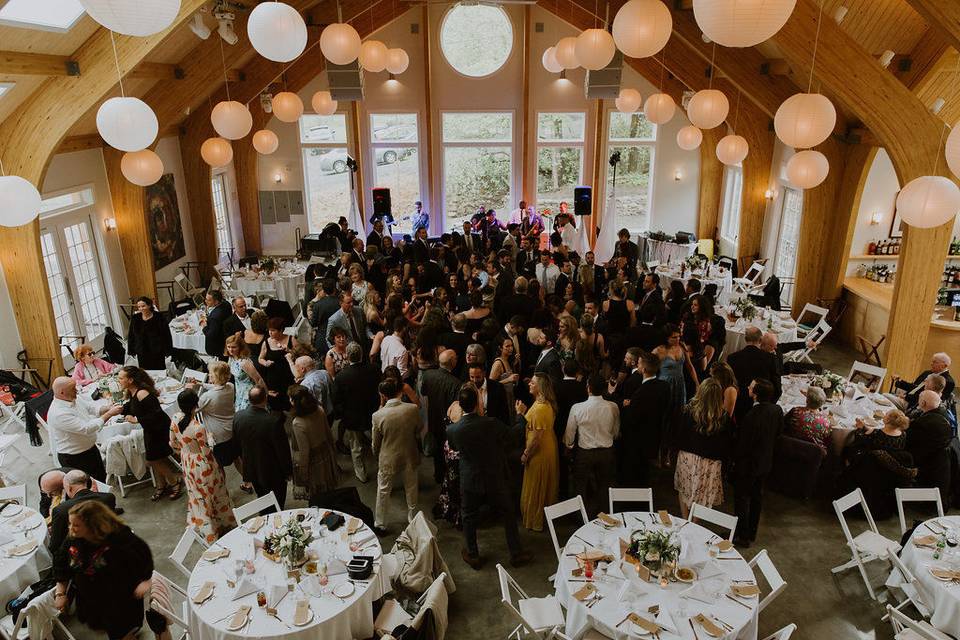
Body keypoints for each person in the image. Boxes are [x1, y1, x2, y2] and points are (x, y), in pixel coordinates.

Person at [447, 384, 532, 569]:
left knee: (469, 516)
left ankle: (472, 553)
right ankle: (516, 553)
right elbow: (514, 435)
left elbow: (454, 448)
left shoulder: (453, 430)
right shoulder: (491, 424)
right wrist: (520, 416)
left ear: (460, 406)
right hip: (495, 477)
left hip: (470, 478)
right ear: (478, 403)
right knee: (508, 513)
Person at [52, 501, 153, 640]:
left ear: (92, 524)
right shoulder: (73, 538)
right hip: (92, 601)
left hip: (119, 599)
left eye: (75, 525)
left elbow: (143, 554)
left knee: (120, 633)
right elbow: (60, 562)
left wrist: (145, 579)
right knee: (111, 631)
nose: (71, 528)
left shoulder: (118, 537)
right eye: (70, 524)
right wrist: (60, 593)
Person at [170, 389, 236, 543]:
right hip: (203, 465)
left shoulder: (174, 418)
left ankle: (206, 526)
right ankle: (219, 524)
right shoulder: (197, 427)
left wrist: (185, 450)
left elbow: (172, 443)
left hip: (187, 461)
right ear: (195, 405)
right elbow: (206, 452)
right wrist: (211, 439)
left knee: (198, 496)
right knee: (215, 493)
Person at [117, 366, 182, 501]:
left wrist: (136, 420)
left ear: (130, 380)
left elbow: (156, 414)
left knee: (152, 460)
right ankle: (161, 485)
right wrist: (120, 410)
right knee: (154, 460)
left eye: (121, 378)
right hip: (150, 429)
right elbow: (132, 406)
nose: (119, 380)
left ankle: (174, 481)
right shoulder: (132, 392)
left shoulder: (142, 393)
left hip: (158, 429)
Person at [732, 379, 782, 547]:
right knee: (757, 498)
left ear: (755, 394)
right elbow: (778, 434)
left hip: (748, 465)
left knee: (742, 499)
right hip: (765, 462)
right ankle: (752, 532)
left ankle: (742, 535)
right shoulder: (777, 410)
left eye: (751, 387)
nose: (748, 387)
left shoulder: (751, 416)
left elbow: (743, 445)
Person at [674, 378, 732, 518]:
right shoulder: (723, 417)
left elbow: (678, 434)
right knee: (703, 496)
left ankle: (684, 519)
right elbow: (727, 444)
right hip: (710, 462)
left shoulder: (688, 411)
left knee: (684, 489)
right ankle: (695, 524)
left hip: (688, 456)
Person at [564, 374, 620, 518]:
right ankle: (605, 516)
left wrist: (569, 446)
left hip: (585, 453)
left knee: (581, 486)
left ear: (588, 388)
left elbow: (570, 432)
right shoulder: (613, 407)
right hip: (607, 451)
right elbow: (616, 431)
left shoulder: (577, 408)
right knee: (605, 486)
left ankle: (581, 518)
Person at [47, 376, 123, 481]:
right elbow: (87, 429)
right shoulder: (58, 413)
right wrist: (109, 414)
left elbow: (91, 408)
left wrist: (108, 408)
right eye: (73, 389)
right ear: (62, 393)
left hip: (90, 449)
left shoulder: (72, 398)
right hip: (74, 457)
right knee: (87, 486)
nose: (77, 390)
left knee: (101, 478)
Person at [371, 379, 421, 533]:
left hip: (388, 457)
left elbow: (375, 443)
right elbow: (419, 429)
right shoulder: (412, 409)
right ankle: (413, 520)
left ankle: (380, 523)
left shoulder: (378, 415)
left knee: (383, 491)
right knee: (411, 489)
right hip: (409, 453)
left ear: (383, 395)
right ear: (399, 391)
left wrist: (376, 453)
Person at [233, 386, 293, 508]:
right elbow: (282, 450)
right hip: (273, 469)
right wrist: (288, 471)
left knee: (262, 496)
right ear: (265, 399)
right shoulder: (273, 421)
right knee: (278, 498)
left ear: (249, 399)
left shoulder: (238, 416)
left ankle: (266, 512)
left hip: (252, 467)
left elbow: (237, 443)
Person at [332, 342, 381, 482]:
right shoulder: (374, 369)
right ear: (361, 354)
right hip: (373, 412)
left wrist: (343, 414)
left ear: (347, 356)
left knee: (356, 447)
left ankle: (361, 474)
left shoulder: (341, 377)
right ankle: (381, 468)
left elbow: (336, 399)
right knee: (377, 443)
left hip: (352, 417)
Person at [517, 373, 558, 531]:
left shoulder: (541, 408)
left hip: (540, 452)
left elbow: (536, 438)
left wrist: (526, 454)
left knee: (536, 485)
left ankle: (535, 520)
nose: (529, 384)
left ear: (540, 387)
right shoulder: (542, 404)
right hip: (546, 447)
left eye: (532, 383)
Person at [287, 385, 338, 503]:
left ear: (295, 402)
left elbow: (304, 452)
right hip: (325, 453)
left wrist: (303, 472)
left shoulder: (298, 423)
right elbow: (328, 432)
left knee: (317, 496)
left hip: (313, 462)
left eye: (290, 398)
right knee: (328, 489)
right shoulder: (319, 409)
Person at [625, 352, 670, 482]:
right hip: (656, 435)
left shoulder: (640, 393)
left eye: (638, 363)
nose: (637, 365)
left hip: (639, 439)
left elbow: (632, 418)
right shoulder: (664, 386)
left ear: (644, 369)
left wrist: (629, 405)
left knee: (637, 474)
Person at [48, 470, 117, 554]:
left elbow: (55, 545)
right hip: (108, 541)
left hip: (81, 550)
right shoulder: (109, 497)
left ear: (69, 488)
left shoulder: (61, 510)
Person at [420, 349, 462, 484]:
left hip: (433, 418)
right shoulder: (456, 383)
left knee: (437, 451)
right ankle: (448, 476)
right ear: (453, 363)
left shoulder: (428, 375)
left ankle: (438, 475)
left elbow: (423, 392)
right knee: (447, 451)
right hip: (447, 423)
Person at [905, 389, 953, 497]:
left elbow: (906, 440)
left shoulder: (924, 424)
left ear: (923, 403)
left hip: (923, 462)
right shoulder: (943, 413)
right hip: (938, 462)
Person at [727, 327, 780, 422]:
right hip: (761, 406)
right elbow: (777, 388)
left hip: (737, 405)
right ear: (760, 340)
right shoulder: (770, 359)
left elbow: (728, 384)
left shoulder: (732, 358)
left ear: (745, 339)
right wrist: (768, 406)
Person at [890, 353, 955, 411]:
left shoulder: (948, 381)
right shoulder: (927, 373)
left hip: (915, 405)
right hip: (908, 396)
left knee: (885, 396)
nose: (931, 364)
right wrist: (899, 381)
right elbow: (915, 387)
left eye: (935, 362)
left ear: (944, 365)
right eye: (932, 361)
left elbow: (932, 400)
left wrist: (906, 397)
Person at [127, 296, 171, 370]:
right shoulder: (135, 318)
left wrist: (168, 350)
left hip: (157, 350)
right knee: (145, 372)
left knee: (159, 370)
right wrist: (131, 350)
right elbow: (131, 335)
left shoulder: (159, 317)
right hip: (142, 351)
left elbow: (166, 334)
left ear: (149, 305)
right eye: (139, 307)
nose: (141, 309)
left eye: (143, 306)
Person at [784, 386, 831, 454]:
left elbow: (782, 424)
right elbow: (827, 443)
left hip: (789, 450)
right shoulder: (826, 421)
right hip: (812, 457)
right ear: (822, 404)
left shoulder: (795, 411)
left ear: (807, 400)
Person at [225, 335, 265, 413]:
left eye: (234, 347)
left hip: (248, 392)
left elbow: (258, 379)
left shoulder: (244, 362)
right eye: (228, 347)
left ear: (240, 347)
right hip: (239, 390)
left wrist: (265, 394)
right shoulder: (231, 358)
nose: (230, 350)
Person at [201, 290, 232, 360]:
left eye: (208, 300)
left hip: (217, 345)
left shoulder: (215, 316)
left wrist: (204, 326)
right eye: (206, 299)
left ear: (216, 301)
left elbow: (210, 335)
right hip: (225, 337)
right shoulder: (227, 304)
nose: (205, 301)